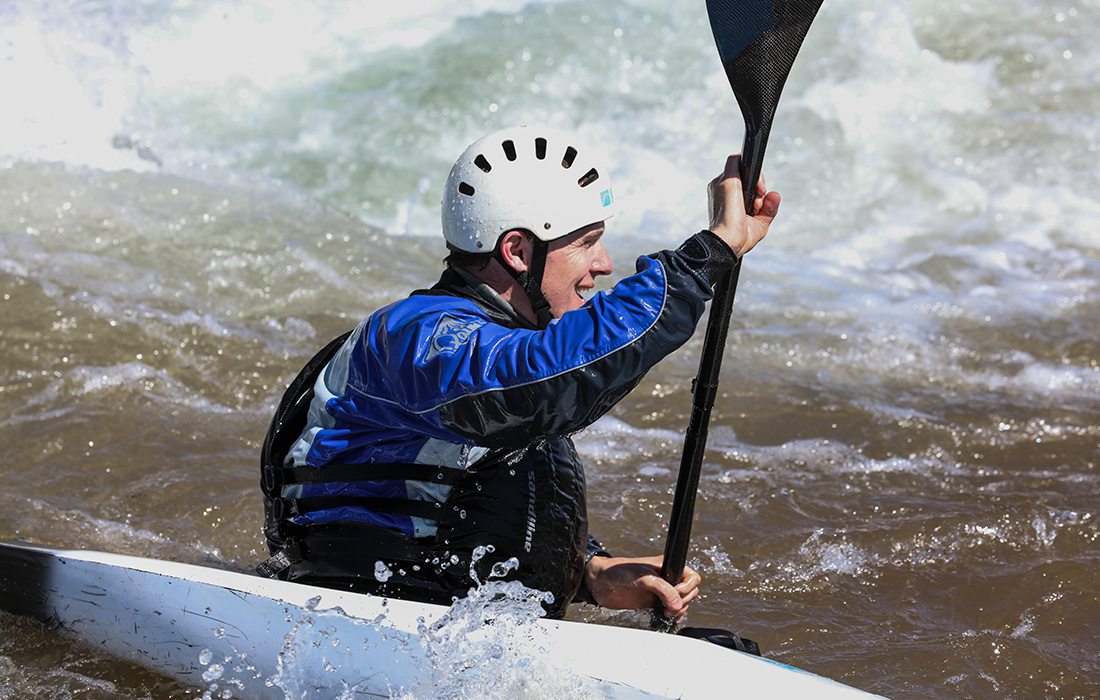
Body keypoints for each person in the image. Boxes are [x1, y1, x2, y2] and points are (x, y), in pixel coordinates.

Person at [258, 125, 780, 622]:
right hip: (357, 606)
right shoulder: (416, 335)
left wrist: (590, 574)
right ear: (517, 251)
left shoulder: (500, 350)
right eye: (586, 242)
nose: (603, 264)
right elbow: (552, 377)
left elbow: (473, 486)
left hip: (454, 620)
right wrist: (707, 255)